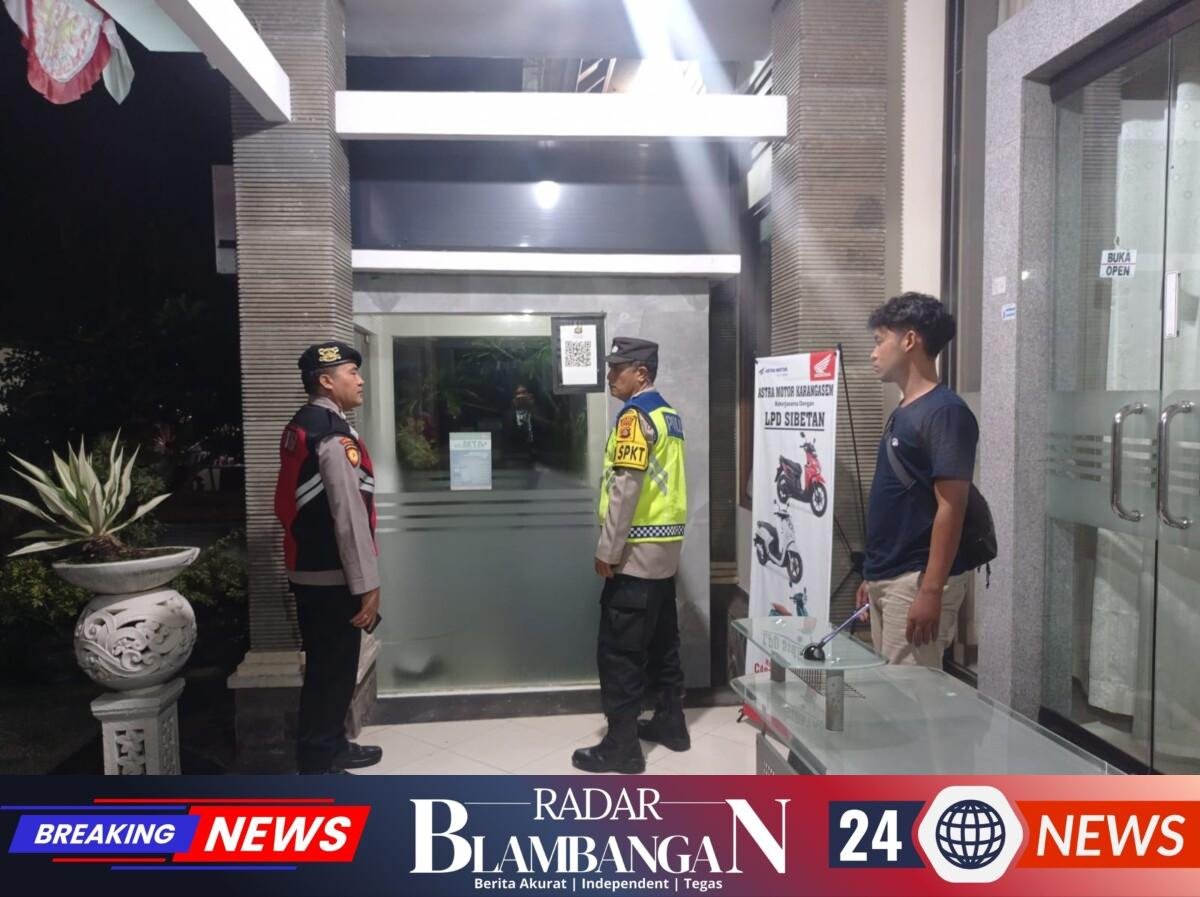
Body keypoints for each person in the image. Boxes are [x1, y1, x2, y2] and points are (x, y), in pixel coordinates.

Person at [572, 337, 690, 774]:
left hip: (635, 554)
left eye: (617, 368)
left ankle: (621, 748)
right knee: (663, 643)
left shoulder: (634, 419)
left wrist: (608, 550)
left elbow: (626, 488)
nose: (609, 376)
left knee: (619, 652)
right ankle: (671, 724)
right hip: (666, 553)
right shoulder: (669, 415)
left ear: (641, 374)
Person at [275, 340, 384, 774]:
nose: (360, 380)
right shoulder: (332, 435)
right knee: (333, 670)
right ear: (326, 380)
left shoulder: (303, 423)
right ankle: (320, 762)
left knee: (327, 666)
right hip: (330, 573)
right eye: (351, 373)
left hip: (310, 565)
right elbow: (349, 516)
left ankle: (332, 744)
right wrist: (367, 584)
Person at [855, 293, 979, 668]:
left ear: (909, 340)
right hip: (890, 576)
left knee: (910, 695)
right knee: (892, 691)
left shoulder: (945, 412)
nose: (873, 353)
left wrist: (931, 590)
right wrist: (872, 575)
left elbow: (951, 506)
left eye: (879, 341)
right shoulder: (906, 410)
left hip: (915, 579)